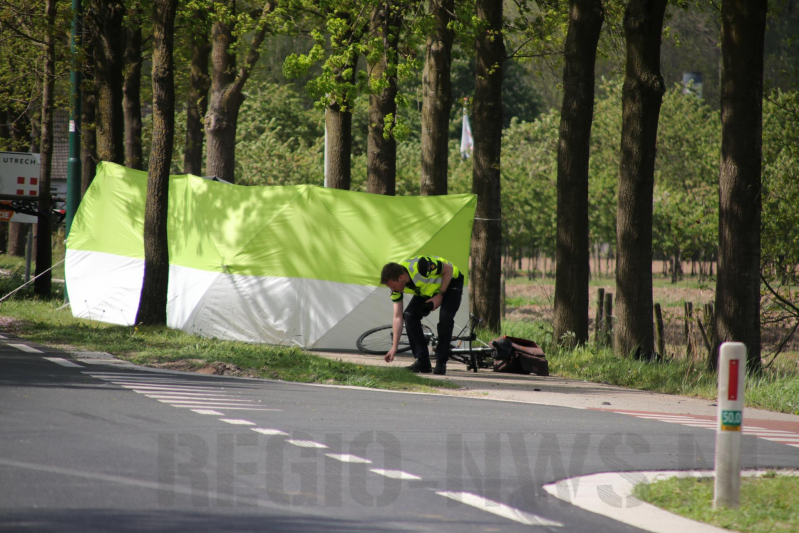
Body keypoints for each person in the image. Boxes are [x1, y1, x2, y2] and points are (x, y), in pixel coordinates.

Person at [380, 256, 464, 375]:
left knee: (445, 318)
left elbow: (448, 269)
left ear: (401, 277)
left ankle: (441, 362)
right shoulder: (396, 288)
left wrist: (440, 295)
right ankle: (423, 362)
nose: (392, 289)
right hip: (428, 290)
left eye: (393, 286)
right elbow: (397, 317)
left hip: (451, 282)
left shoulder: (421, 266)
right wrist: (394, 347)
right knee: (409, 315)